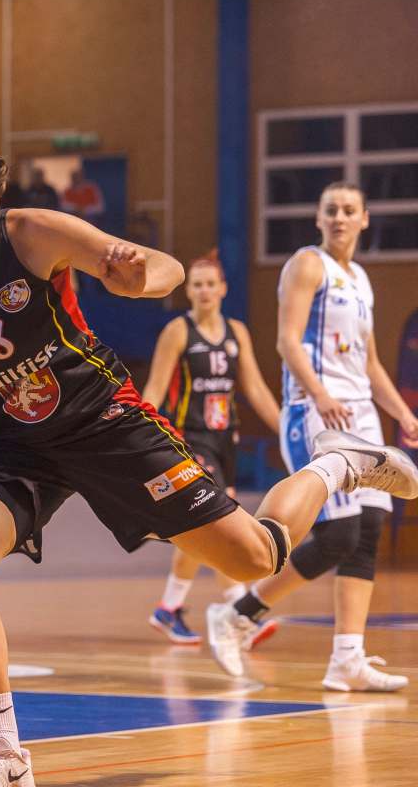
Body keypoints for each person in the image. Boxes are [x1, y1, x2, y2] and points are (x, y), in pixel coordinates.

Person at [0, 142, 418, 787]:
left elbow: (164, 268)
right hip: (10, 439)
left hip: (100, 419)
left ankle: (337, 465)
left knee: (255, 558)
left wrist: (138, 276)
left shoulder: (28, 234)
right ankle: (6, 754)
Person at [206, 182, 418, 689]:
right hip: (315, 412)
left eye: (349, 210)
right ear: (318, 219)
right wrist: (320, 393)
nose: (340, 217)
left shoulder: (361, 280)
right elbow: (286, 340)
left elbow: (369, 363)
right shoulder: (307, 264)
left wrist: (401, 413)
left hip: (361, 414)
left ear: (365, 218)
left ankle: (347, 659)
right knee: (338, 534)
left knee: (367, 532)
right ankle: (238, 614)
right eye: (331, 210)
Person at [140, 255, 281, 645]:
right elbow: (154, 389)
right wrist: (140, 439)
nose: (204, 290)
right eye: (197, 284)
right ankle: (240, 611)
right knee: (218, 522)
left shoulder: (237, 332)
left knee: (203, 528)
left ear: (223, 289)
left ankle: (170, 607)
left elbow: (255, 388)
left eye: (210, 284)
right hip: (191, 438)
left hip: (225, 441)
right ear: (188, 290)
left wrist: (287, 430)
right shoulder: (177, 331)